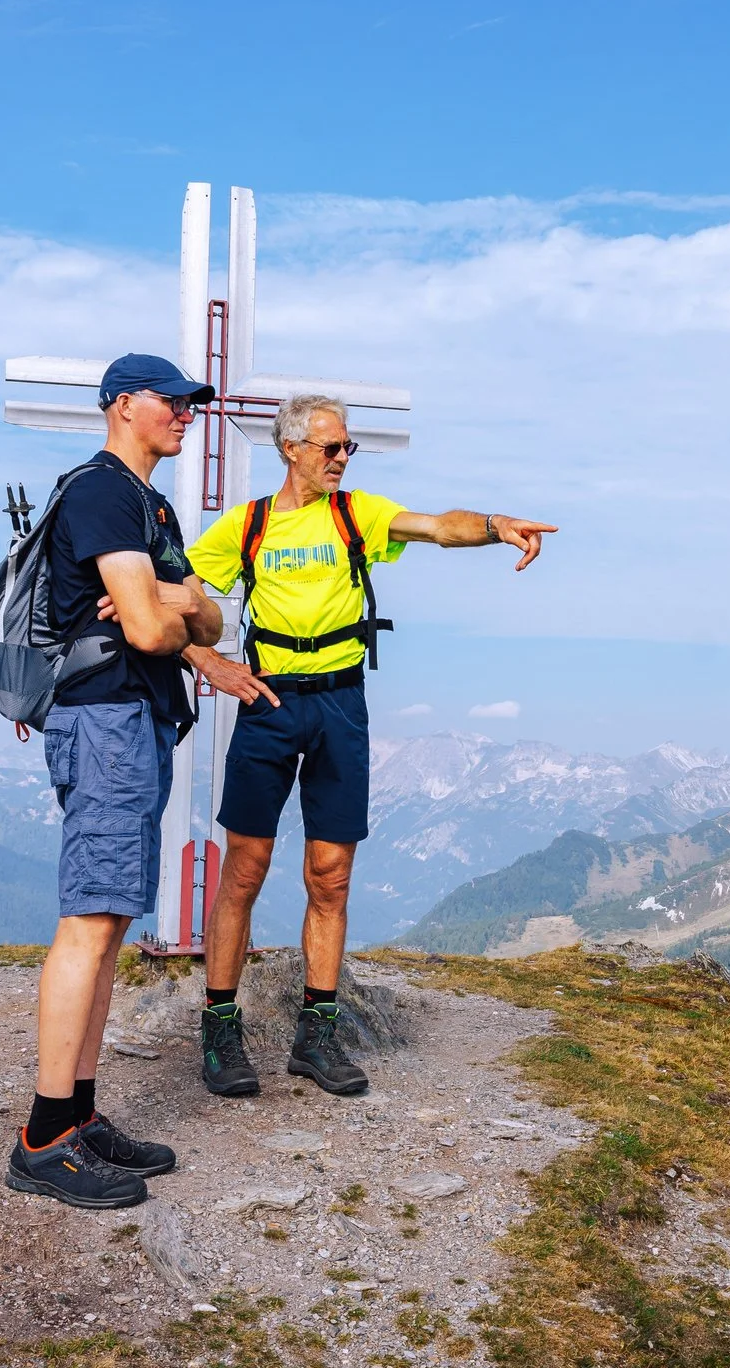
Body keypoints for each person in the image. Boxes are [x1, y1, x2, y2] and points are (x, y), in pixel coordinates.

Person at [182, 393, 556, 1098]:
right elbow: (182, 594)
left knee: (332, 874)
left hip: (340, 703)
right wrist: (211, 662)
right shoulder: (248, 524)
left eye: (348, 447)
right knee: (244, 869)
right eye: (331, 448)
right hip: (269, 700)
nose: (343, 458)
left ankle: (316, 1034)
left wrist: (495, 525)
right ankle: (220, 1026)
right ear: (291, 448)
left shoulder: (358, 514)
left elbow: (438, 527)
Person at [5, 353, 229, 1210]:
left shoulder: (154, 505)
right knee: (89, 921)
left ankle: (82, 1113)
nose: (186, 413)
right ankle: (43, 1137)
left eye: (189, 403)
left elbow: (206, 614)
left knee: (109, 916)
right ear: (122, 404)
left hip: (135, 723)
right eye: (171, 401)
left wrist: (177, 599)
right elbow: (150, 626)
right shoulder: (102, 491)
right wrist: (170, 605)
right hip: (103, 723)